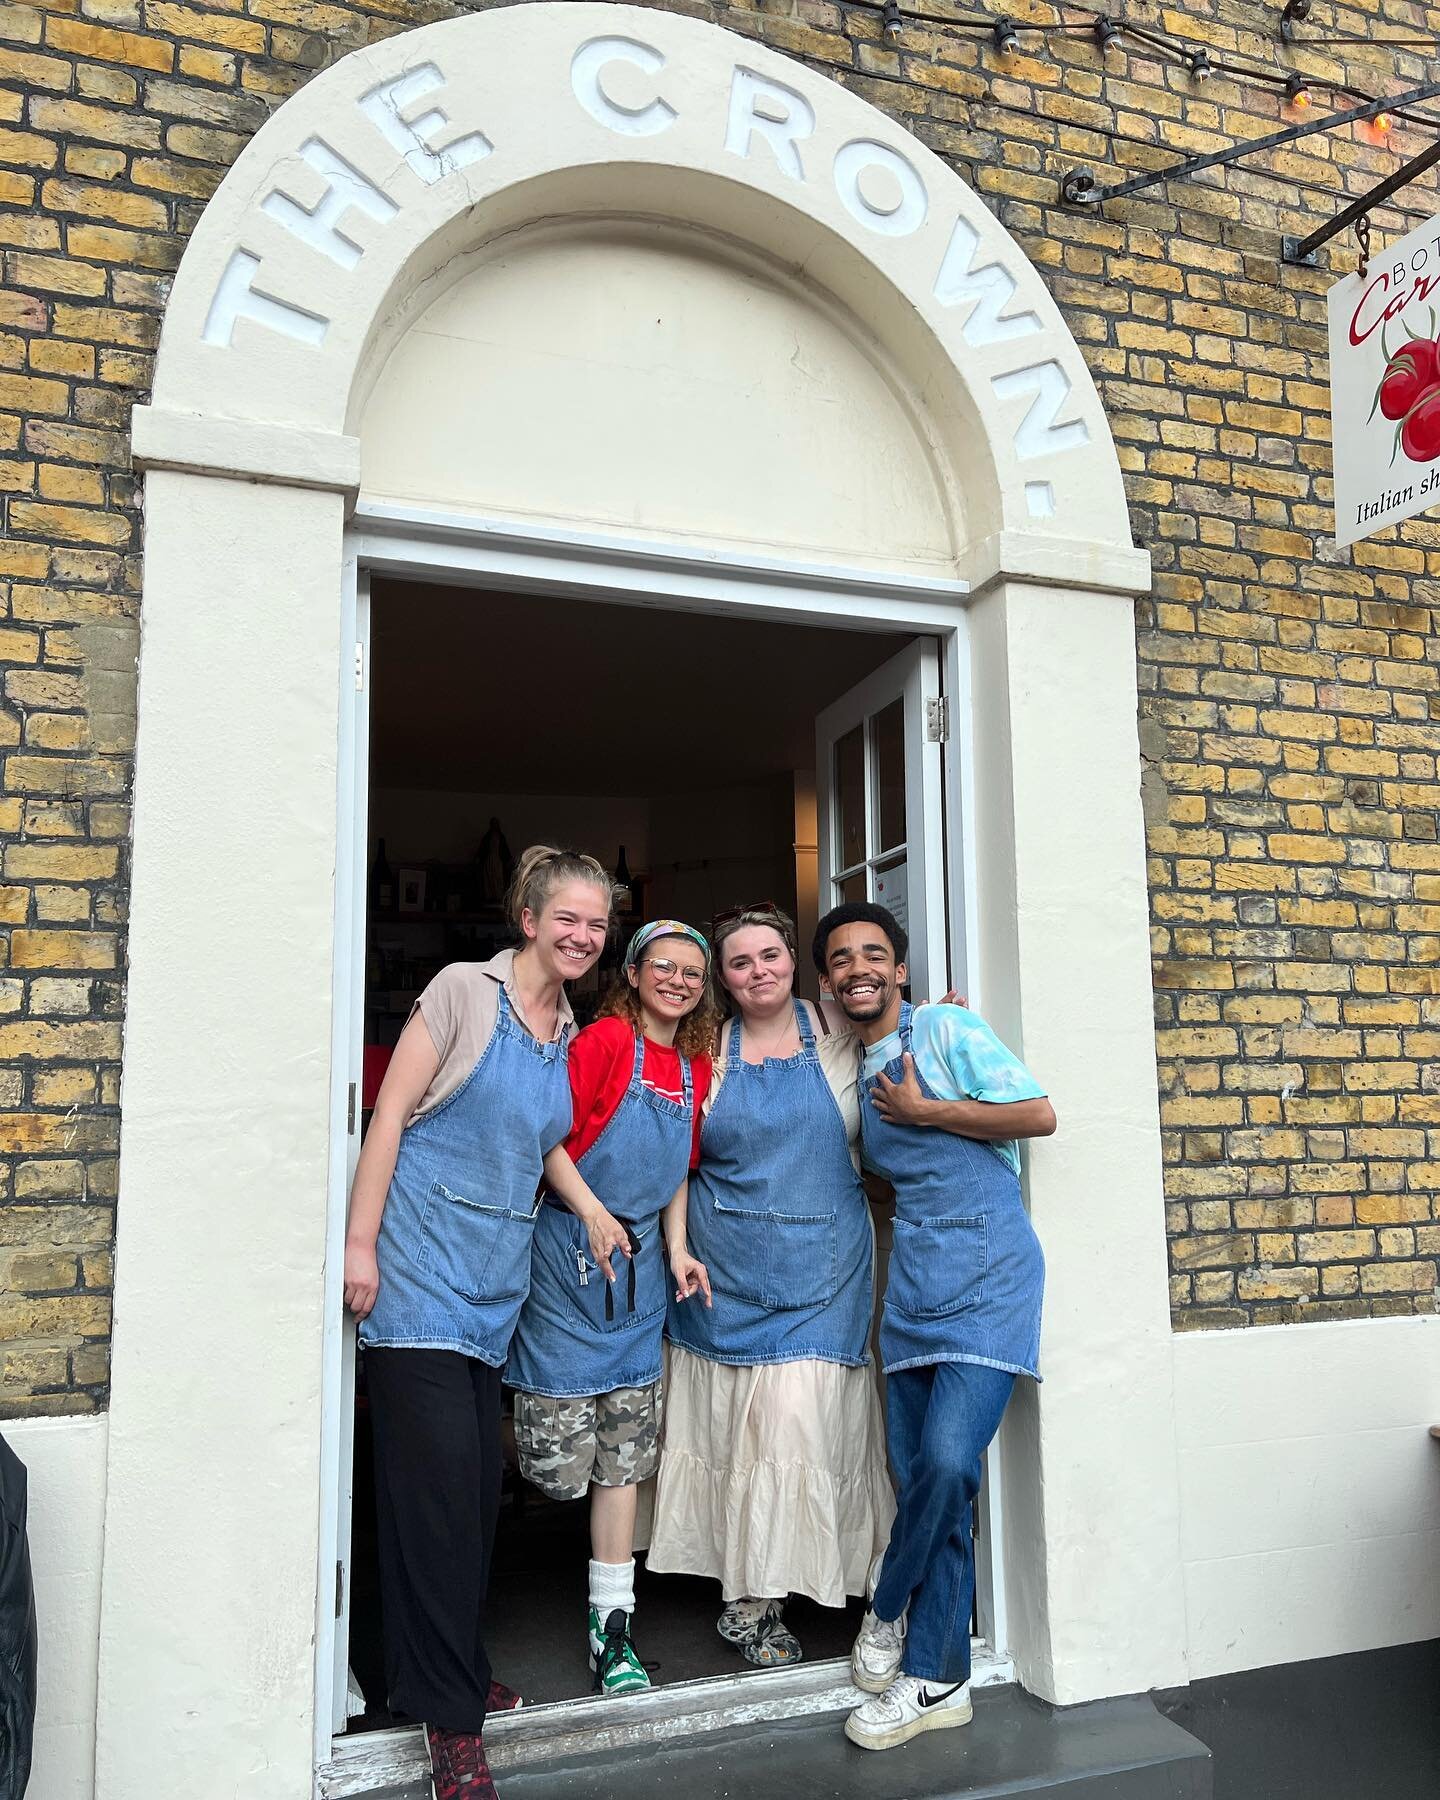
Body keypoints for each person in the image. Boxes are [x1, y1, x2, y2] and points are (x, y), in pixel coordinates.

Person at [343, 847, 620, 1800]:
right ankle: (450, 1728)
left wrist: (586, 1205)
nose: (583, 936)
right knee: (436, 1505)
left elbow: (541, 1138)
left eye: (597, 923)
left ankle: (444, 1667)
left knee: (467, 1499)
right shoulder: (465, 991)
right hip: (419, 1277)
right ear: (530, 918)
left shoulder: (565, 1023)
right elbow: (388, 1117)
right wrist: (359, 1244)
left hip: (492, 1289)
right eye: (568, 919)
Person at [812, 900, 1056, 1753]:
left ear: (901, 967)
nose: (858, 969)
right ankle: (937, 1676)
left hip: (991, 1271)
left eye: (873, 953)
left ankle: (886, 1605)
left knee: (950, 1463)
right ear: (828, 982)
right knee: (923, 1479)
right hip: (912, 1279)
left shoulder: (947, 1030)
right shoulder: (852, 1059)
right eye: (840, 960)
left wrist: (931, 1113)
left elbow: (1038, 1113)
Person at [647, 903, 894, 1667]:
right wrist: (678, 1247)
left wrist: (946, 1027)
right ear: (721, 978)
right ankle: (750, 1602)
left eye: (772, 956)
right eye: (741, 962)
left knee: (794, 1424)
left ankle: (850, 1578)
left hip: (825, 1274)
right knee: (738, 1436)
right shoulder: (701, 1053)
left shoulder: (839, 1031)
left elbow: (901, 1032)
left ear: (796, 963)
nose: (759, 972)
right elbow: (674, 1163)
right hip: (724, 1274)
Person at [506, 920, 717, 1697]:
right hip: (570, 1263)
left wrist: (678, 1248)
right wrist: (593, 1212)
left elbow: (678, 1173)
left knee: (625, 1457)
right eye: (665, 966)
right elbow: (547, 1139)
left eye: (694, 973)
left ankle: (612, 1625)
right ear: (633, 973)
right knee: (558, 1465)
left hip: (639, 1280)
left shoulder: (693, 1070)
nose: (680, 980)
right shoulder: (599, 1045)